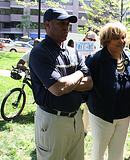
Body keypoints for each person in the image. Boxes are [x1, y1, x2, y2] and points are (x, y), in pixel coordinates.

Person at [29, 8, 93, 160]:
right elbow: (58, 88)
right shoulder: (40, 52)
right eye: (60, 24)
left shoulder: (73, 52)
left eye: (67, 24)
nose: (66, 27)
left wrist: (65, 83)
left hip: (76, 118)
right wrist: (78, 74)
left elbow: (90, 83)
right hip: (52, 120)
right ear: (47, 25)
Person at [85, 22, 130, 160]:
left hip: (124, 116)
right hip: (102, 116)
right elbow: (85, 85)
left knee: (118, 153)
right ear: (106, 40)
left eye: (123, 37)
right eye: (116, 38)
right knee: (99, 152)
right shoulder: (95, 60)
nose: (122, 41)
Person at [81, 30, 97, 135]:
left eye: (94, 40)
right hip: (78, 82)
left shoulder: (96, 53)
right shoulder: (78, 50)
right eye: (90, 39)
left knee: (88, 107)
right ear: (85, 38)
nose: (92, 41)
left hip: (89, 83)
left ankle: (85, 128)